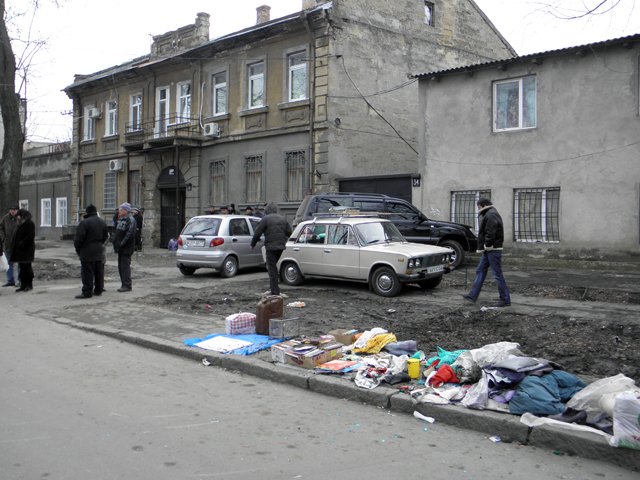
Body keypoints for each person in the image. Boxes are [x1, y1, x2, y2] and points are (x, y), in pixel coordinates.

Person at [462, 198, 511, 307]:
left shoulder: (490, 214)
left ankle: (505, 299)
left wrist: (487, 245)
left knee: (497, 274)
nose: (478, 209)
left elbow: (491, 233)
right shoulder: (490, 213)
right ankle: (472, 295)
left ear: (482, 205)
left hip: (492, 249)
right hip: (489, 249)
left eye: (478, 206)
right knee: (480, 270)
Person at [250, 202, 292, 296]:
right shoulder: (283, 219)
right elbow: (289, 232)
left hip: (271, 247)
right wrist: (284, 240)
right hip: (281, 247)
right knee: (272, 267)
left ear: (267, 210)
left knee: (271, 269)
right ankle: (273, 289)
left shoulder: (265, 219)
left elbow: (258, 232)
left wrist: (252, 244)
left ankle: (274, 292)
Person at [73, 204, 108, 298]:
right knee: (99, 271)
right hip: (99, 250)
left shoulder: (84, 223)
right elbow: (105, 237)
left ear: (87, 212)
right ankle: (98, 290)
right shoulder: (102, 222)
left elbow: (78, 239)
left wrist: (78, 249)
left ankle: (87, 292)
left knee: (87, 272)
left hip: (86, 251)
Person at [112, 202, 137, 292]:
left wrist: (121, 243)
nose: (119, 210)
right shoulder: (121, 219)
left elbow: (129, 234)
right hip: (120, 248)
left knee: (125, 267)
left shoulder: (131, 220)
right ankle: (124, 284)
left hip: (126, 248)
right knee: (120, 267)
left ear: (126, 210)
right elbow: (117, 229)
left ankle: (127, 285)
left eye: (121, 209)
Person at [10, 209, 35, 292]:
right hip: (20, 251)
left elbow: (30, 236)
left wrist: (21, 243)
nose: (18, 217)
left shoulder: (29, 224)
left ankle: (29, 285)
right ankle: (23, 285)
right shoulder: (20, 224)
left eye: (19, 215)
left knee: (27, 268)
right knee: (22, 268)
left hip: (27, 250)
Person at [0, 204, 19, 287]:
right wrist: (3, 237)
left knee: (20, 264)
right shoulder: (5, 218)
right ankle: (10, 280)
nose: (13, 211)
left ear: (17, 210)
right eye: (11, 209)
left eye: (14, 209)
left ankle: (20, 281)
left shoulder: (21, 218)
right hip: (7, 244)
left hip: (19, 245)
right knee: (8, 263)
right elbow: (1, 228)